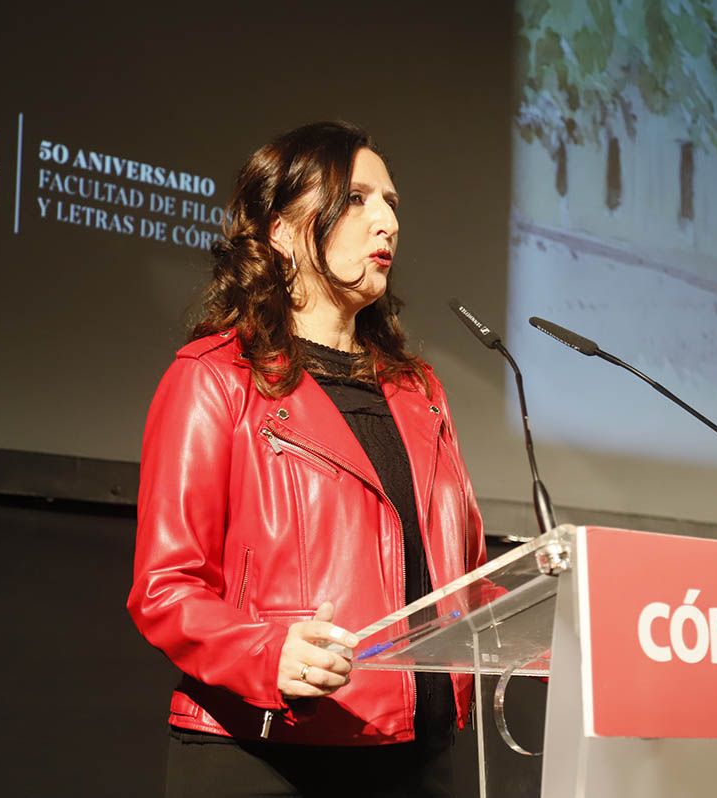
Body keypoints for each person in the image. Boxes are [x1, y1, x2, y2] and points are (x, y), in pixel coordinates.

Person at [127, 121, 487, 798]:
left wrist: (576, 614)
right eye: (357, 199)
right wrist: (266, 653)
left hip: (422, 758)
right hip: (267, 755)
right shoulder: (215, 377)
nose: (387, 220)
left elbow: (460, 585)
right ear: (283, 232)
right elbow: (166, 588)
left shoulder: (421, 394)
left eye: (392, 203)